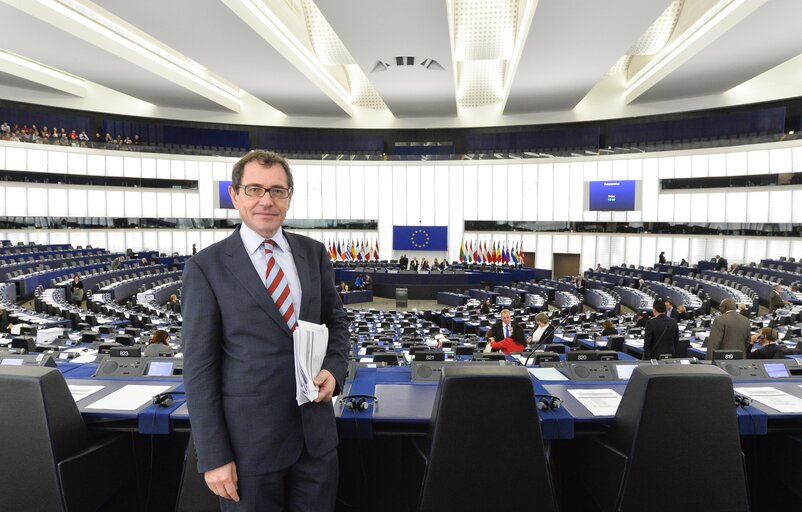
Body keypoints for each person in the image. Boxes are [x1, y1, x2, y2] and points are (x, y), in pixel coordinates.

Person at [182, 150, 349, 510]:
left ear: (289, 196)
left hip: (315, 441)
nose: (266, 200)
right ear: (235, 194)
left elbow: (336, 323)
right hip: (248, 449)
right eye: (255, 189)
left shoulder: (314, 253)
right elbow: (199, 368)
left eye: (277, 190)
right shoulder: (205, 267)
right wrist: (212, 455)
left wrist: (334, 372)